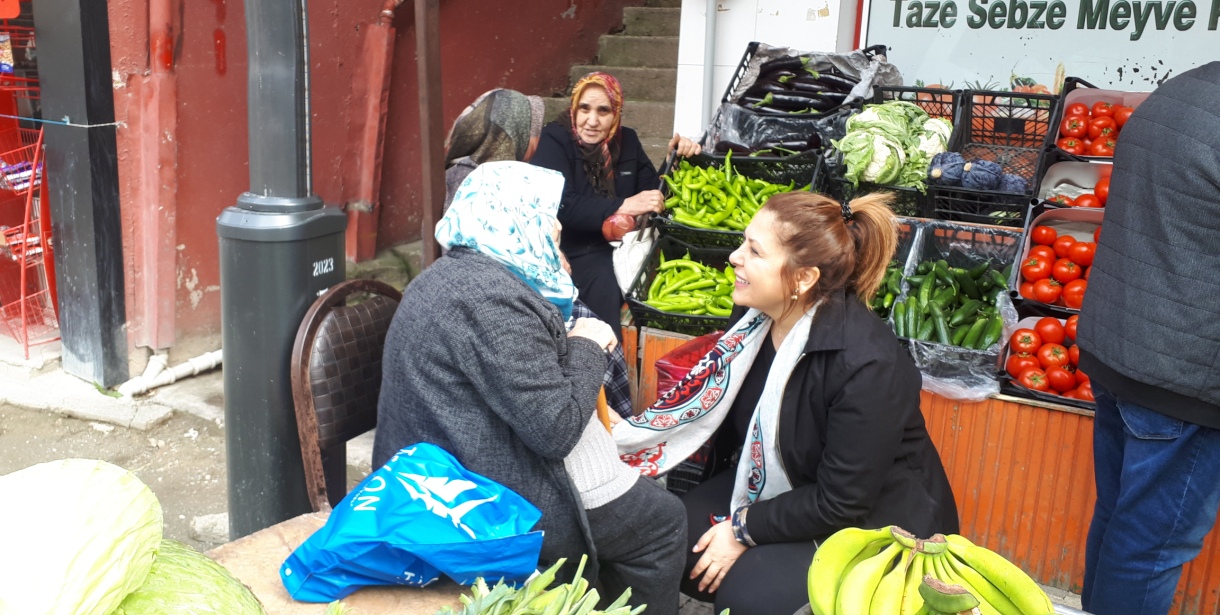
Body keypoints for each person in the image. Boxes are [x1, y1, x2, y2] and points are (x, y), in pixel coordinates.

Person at [614, 191, 959, 615]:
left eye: (754, 251)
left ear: (803, 278)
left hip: (873, 521)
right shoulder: (753, 322)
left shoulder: (867, 363)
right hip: (783, 480)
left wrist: (742, 529)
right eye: (744, 243)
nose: (734, 258)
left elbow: (843, 501)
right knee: (663, 538)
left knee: (747, 597)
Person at [373, 161, 686, 614]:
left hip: (452, 461)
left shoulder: (462, 272)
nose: (556, 227)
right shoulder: (490, 299)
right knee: (664, 521)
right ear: (516, 219)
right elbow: (555, 430)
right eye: (547, 215)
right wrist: (587, 346)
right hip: (473, 498)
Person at [1075, 62, 1220, 615]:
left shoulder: (1185, 87)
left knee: (1119, 519)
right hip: (1187, 374)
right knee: (1152, 547)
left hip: (1124, 346)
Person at [440, 86, 633, 418]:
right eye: (532, 133)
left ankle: (610, 422)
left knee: (599, 315)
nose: (537, 143)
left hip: (518, 286)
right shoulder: (475, 181)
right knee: (594, 335)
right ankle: (604, 422)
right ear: (512, 136)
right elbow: (500, 260)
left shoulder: (501, 172)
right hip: (503, 298)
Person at [530, 71, 702, 338]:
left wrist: (674, 162)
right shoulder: (556, 139)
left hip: (624, 248)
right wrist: (623, 205)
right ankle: (603, 365)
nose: (592, 120)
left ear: (616, 113)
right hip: (571, 251)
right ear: (574, 108)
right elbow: (561, 205)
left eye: (603, 110)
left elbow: (652, 193)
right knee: (606, 284)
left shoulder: (627, 141)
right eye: (584, 109)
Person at [443, 88, 546, 211]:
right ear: (517, 135)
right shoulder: (468, 182)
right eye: (533, 132)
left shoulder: (456, 174)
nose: (539, 141)